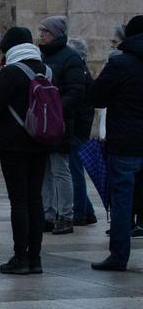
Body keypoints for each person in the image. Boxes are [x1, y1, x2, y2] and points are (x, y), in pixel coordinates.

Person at [0, 27, 50, 275]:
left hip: (14, 144)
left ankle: (20, 256)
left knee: (19, 200)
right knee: (35, 198)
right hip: (41, 141)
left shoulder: (11, 71)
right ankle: (35, 259)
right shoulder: (47, 70)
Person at [88, 15, 143, 271]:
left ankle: (119, 256)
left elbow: (97, 97)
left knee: (122, 201)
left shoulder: (120, 64)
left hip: (125, 142)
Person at [38, 16, 87, 235]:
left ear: (55, 34)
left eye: (45, 32)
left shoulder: (71, 58)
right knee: (45, 170)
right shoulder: (41, 56)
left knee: (60, 169)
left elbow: (76, 90)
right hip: (43, 122)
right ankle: (47, 214)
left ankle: (66, 215)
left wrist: (56, 110)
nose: (41, 35)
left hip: (60, 122)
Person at [65, 37, 97, 227]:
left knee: (74, 171)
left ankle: (79, 212)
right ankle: (88, 211)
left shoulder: (80, 74)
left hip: (77, 130)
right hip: (79, 128)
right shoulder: (83, 72)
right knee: (74, 170)